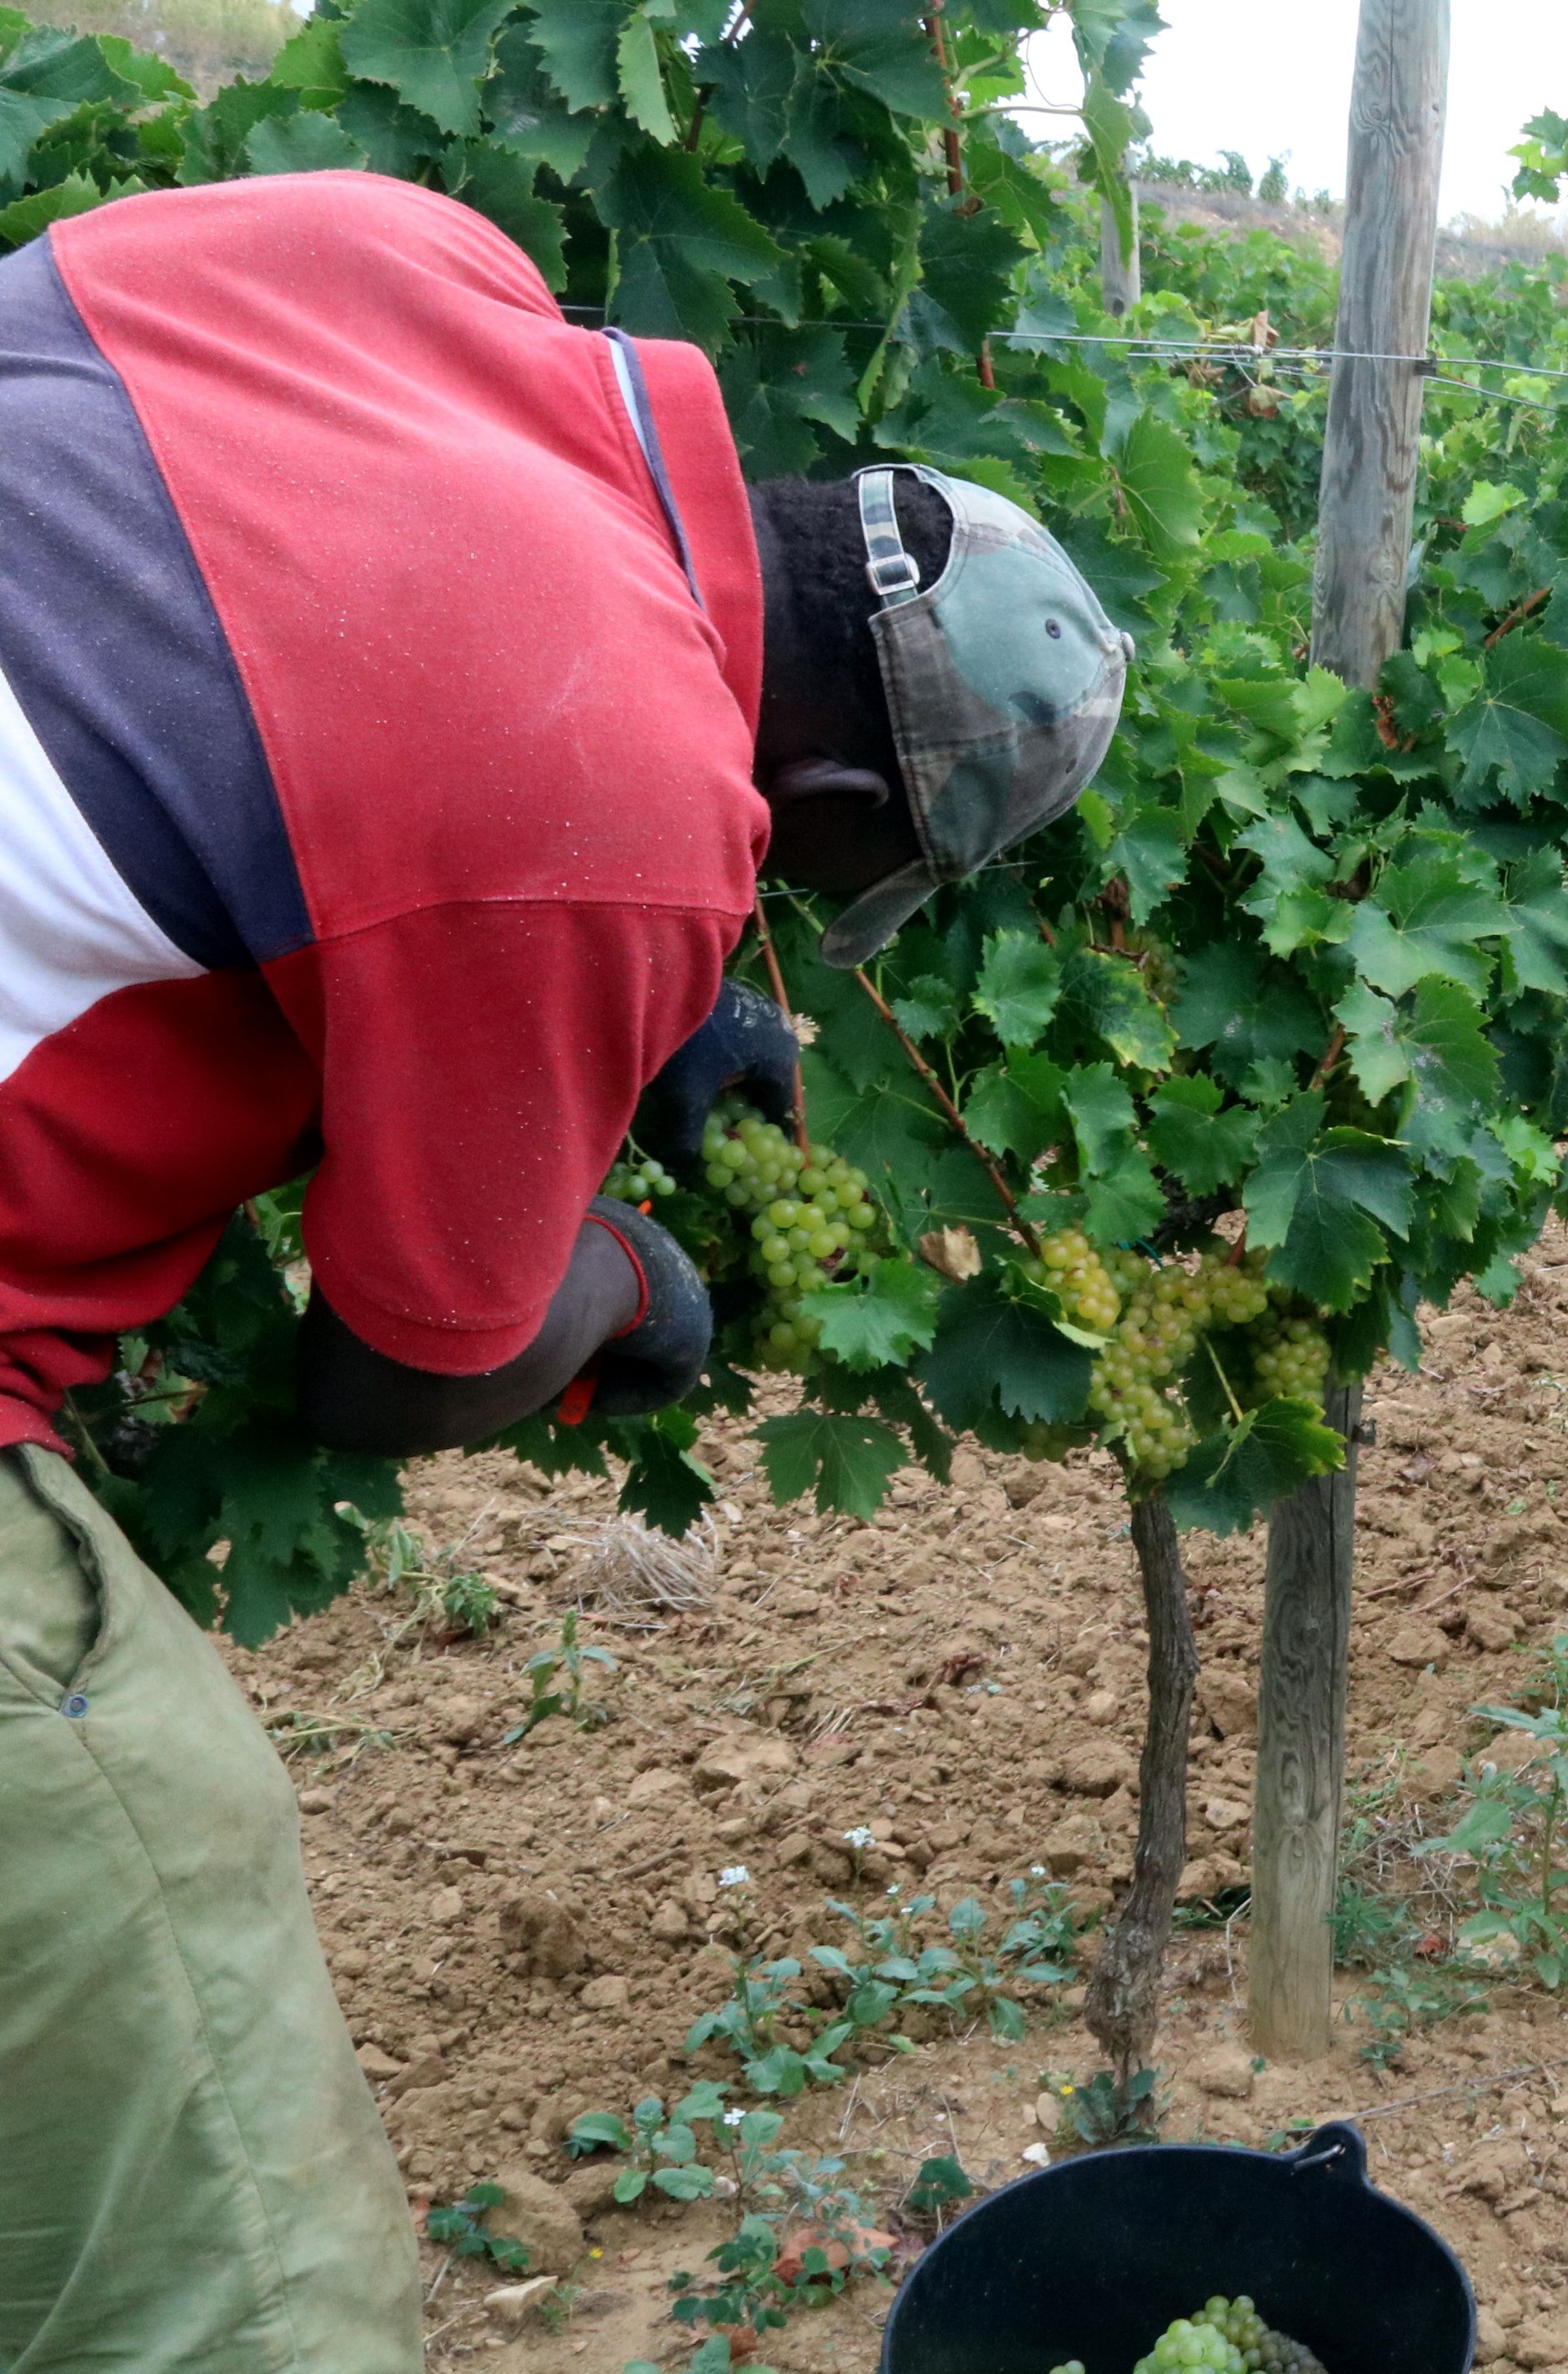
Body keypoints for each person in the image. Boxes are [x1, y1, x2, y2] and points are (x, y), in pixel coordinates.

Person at [0, 170, 1127, 2371]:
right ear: (813, 785)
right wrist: (629, 1289)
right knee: (222, 2241)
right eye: (818, 865)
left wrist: (636, 935)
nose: (779, 908)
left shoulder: (391, 260)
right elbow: (394, 1369)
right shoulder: (616, 797)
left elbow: (310, 680)